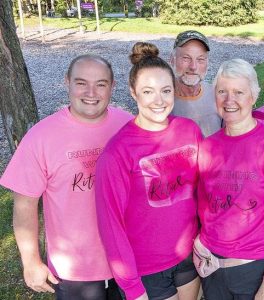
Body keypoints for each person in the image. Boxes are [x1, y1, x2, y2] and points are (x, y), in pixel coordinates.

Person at [0, 55, 133, 299]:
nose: (91, 92)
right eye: (81, 83)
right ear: (67, 83)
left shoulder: (128, 126)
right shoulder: (41, 137)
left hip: (129, 258)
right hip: (74, 269)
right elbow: (24, 203)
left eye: (101, 84)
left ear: (112, 86)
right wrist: (30, 261)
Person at [95, 42, 202, 300]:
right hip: (147, 269)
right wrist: (132, 287)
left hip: (189, 257)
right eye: (148, 91)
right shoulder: (118, 151)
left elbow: (203, 190)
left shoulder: (189, 131)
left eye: (166, 90)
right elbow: (110, 224)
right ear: (133, 93)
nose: (159, 101)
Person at [195, 58, 264, 299]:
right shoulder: (208, 146)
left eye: (238, 92)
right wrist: (200, 241)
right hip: (213, 269)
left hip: (257, 269)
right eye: (222, 91)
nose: (229, 100)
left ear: (253, 96)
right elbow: (204, 206)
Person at [169, 30, 221, 137]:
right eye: (186, 58)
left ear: (207, 63)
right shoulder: (162, 102)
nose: (193, 66)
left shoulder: (218, 95)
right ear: (172, 60)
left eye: (200, 59)